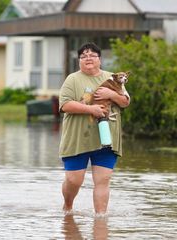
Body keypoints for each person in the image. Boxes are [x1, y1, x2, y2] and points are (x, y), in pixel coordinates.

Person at [59, 42, 130, 214]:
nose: (88, 58)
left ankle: (100, 220)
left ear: (100, 59)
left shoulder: (113, 77)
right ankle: (68, 206)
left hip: (106, 139)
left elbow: (125, 101)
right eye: (84, 56)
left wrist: (111, 94)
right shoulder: (73, 79)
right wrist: (91, 109)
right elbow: (65, 105)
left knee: (103, 180)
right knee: (74, 180)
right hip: (78, 139)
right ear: (79, 61)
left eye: (92, 55)